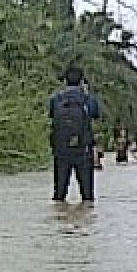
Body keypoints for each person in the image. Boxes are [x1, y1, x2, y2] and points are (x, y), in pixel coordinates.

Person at [49, 66, 100, 202]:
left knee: (59, 194)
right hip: (83, 151)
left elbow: (52, 116)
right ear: (82, 81)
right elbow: (95, 115)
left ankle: (59, 220)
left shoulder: (56, 100)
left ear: (65, 81)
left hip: (61, 151)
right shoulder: (88, 100)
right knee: (87, 196)